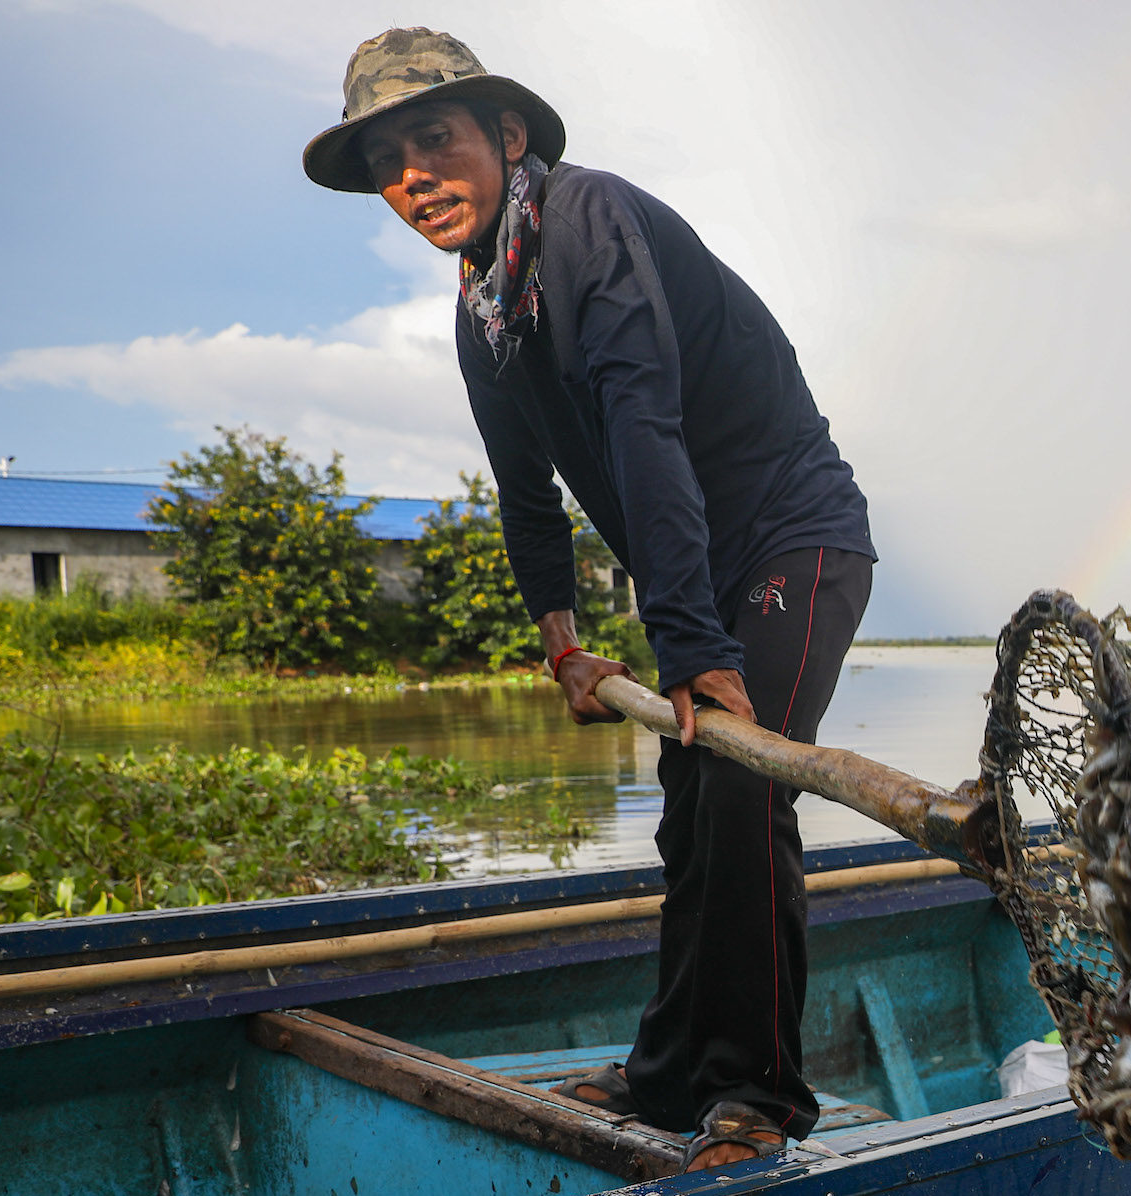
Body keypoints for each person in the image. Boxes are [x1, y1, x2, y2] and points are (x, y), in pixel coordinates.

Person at [302, 28, 876, 1171]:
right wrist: (562, 640)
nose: (413, 175)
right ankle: (670, 1071)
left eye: (435, 139)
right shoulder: (484, 307)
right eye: (387, 160)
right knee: (686, 808)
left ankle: (758, 1095)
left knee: (742, 790)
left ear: (507, 137)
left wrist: (690, 639)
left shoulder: (589, 220)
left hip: (792, 539)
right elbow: (528, 494)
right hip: (704, 571)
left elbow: (640, 422)